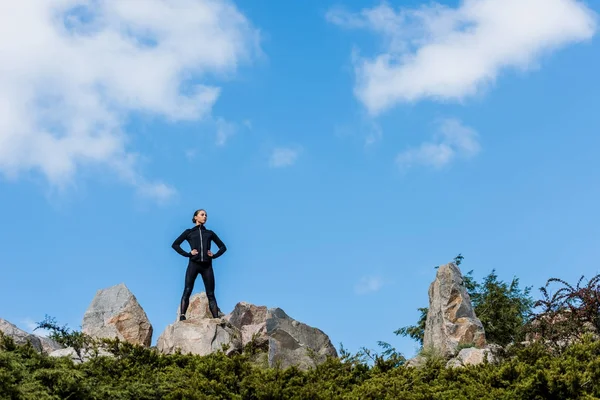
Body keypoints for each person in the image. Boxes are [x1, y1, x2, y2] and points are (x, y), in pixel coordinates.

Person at [172, 209, 227, 320]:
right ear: (195, 217)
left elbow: (223, 247)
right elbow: (175, 244)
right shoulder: (189, 232)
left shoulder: (210, 233)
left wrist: (214, 255)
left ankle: (216, 319)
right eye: (202, 215)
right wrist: (188, 254)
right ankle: (182, 316)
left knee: (211, 294)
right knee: (187, 290)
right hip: (194, 264)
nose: (205, 217)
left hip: (207, 266)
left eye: (206, 215)